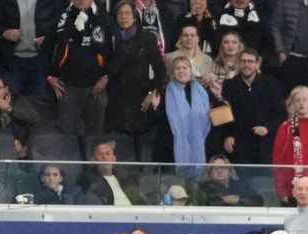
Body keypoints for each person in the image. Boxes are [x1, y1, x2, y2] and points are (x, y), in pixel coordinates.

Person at [43, 0, 114, 137]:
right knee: (64, 135)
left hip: (96, 88)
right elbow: (46, 50)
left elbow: (114, 52)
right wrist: (49, 76)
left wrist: (106, 77)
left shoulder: (103, 19)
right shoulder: (61, 19)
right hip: (67, 87)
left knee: (96, 135)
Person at [106, 1, 165, 162]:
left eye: (127, 13)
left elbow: (160, 70)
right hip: (116, 97)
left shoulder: (146, 38)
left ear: (135, 17)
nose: (123, 17)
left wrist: (152, 92)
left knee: (139, 142)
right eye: (120, 13)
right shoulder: (110, 36)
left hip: (139, 97)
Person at [219, 47, 286, 166]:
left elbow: (281, 114)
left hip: (265, 145)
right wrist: (227, 135)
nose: (246, 65)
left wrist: (267, 128)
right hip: (239, 146)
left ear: (257, 63)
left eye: (250, 61)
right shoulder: (229, 85)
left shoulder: (271, 84)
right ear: (238, 63)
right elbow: (223, 115)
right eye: (243, 61)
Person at [164, 55, 211, 177]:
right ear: (173, 72)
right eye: (177, 68)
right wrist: (155, 106)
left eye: (185, 68)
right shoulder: (166, 92)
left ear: (191, 71)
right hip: (172, 145)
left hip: (201, 141)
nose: (181, 71)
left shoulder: (203, 91)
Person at [77, 140, 142, 205]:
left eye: (108, 154)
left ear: (114, 159)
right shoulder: (87, 178)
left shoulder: (123, 178)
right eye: (100, 154)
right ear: (93, 159)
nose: (104, 157)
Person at [198, 154, 264, 206]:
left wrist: (238, 199)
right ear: (210, 173)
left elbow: (258, 201)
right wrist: (226, 200)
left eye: (223, 167)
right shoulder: (204, 187)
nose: (219, 170)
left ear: (230, 171)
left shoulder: (239, 185)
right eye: (215, 167)